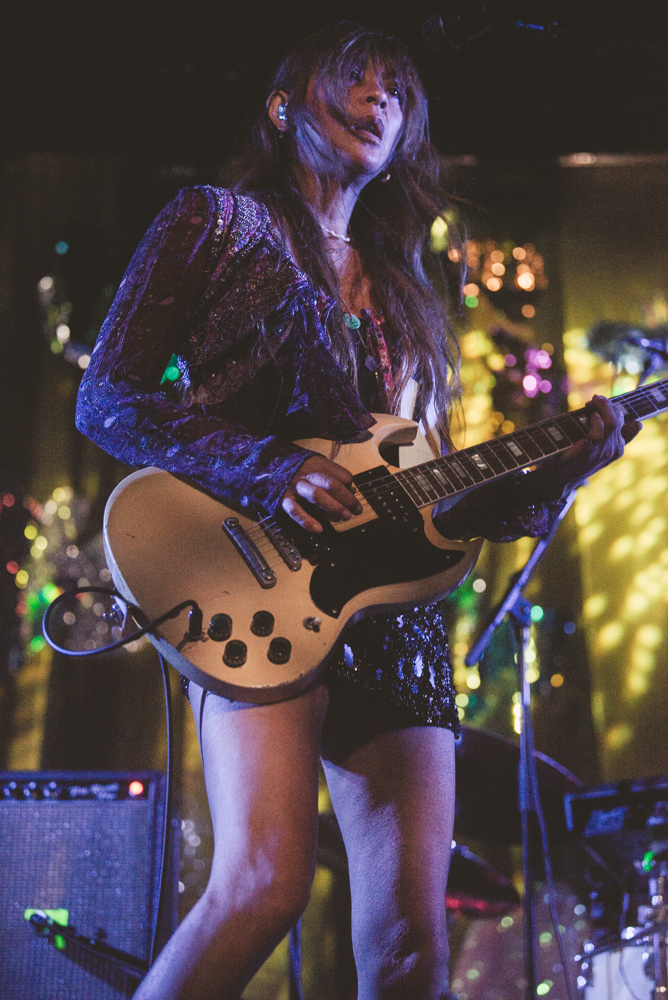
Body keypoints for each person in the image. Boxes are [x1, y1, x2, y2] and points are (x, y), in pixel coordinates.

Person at [76, 22, 640, 1000]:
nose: (380, 98)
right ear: (282, 105)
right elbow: (109, 398)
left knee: (412, 947)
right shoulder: (216, 221)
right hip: (258, 581)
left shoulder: (407, 284)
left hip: (397, 616)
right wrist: (267, 468)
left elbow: (437, 497)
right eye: (355, 78)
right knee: (261, 886)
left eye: (397, 90)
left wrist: (556, 470)